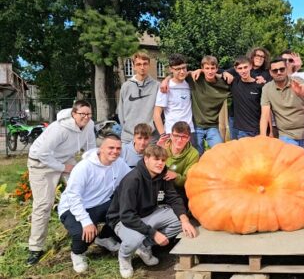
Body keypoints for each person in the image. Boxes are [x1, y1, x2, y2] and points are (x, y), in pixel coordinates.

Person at [107, 144, 197, 278]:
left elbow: (174, 198)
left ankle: (144, 246)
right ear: (146, 159)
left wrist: (184, 220)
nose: (160, 163)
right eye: (156, 159)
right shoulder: (132, 180)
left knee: (181, 221)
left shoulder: (162, 175)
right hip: (123, 220)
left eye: (163, 160)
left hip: (148, 213)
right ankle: (124, 257)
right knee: (134, 239)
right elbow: (126, 215)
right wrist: (153, 233)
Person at [26, 100, 96, 265]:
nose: (86, 117)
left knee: (85, 192)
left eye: (89, 114)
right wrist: (64, 167)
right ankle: (35, 248)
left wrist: (92, 166)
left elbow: (91, 148)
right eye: (82, 114)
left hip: (65, 159)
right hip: (41, 163)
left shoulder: (89, 125)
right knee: (43, 205)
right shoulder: (59, 128)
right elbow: (43, 153)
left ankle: (86, 233)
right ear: (74, 114)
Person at [57, 133, 131, 273]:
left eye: (118, 148)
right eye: (111, 147)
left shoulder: (119, 163)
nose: (115, 151)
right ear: (101, 148)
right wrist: (86, 222)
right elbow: (74, 197)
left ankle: (104, 237)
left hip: (101, 204)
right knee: (82, 234)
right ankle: (78, 253)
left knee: (127, 209)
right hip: (74, 208)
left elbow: (132, 179)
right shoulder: (84, 167)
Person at [259, 57, 304, 147]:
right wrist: (263, 137)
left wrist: (300, 91)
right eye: (275, 70)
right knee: (292, 158)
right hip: (286, 135)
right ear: (270, 72)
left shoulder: (297, 80)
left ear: (286, 69)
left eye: (282, 69)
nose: (279, 72)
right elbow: (265, 115)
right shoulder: (267, 88)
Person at [117, 52, 159, 143]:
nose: (142, 67)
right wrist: (127, 129)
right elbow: (121, 112)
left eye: (145, 64)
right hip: (129, 138)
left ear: (149, 65)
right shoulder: (126, 86)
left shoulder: (157, 86)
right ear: (134, 66)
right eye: (139, 64)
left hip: (150, 139)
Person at [153, 54, 194, 146]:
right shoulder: (165, 88)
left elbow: (195, 72)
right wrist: (163, 135)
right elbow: (156, 114)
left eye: (184, 68)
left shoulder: (189, 83)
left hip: (189, 132)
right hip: (172, 133)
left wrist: (166, 78)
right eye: (178, 69)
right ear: (171, 69)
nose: (182, 72)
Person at [163, 121, 199, 209]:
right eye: (176, 136)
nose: (179, 140)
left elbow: (189, 179)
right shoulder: (162, 147)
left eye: (183, 137)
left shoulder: (193, 154)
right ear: (171, 135)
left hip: (178, 188)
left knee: (180, 203)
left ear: (188, 138)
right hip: (160, 185)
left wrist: (176, 176)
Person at [228, 56, 265, 138]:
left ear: (250, 66)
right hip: (238, 129)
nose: (243, 71)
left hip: (255, 129)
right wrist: (225, 73)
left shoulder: (259, 85)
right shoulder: (234, 82)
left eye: (245, 67)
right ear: (236, 69)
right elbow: (215, 73)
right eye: (240, 68)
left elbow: (266, 108)